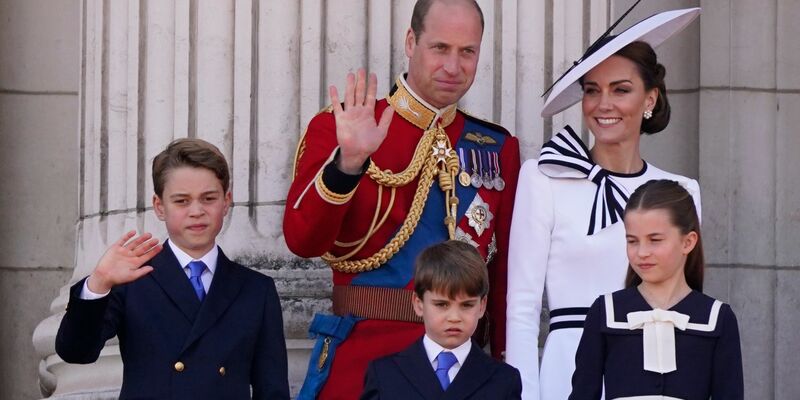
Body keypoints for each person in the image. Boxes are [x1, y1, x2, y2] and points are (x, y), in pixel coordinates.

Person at [284, 0, 520, 398]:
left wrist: (501, 363)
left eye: (467, 52)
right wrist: (349, 162)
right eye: (440, 48)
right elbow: (302, 240)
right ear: (411, 42)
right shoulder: (344, 124)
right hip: (361, 362)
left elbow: (503, 279)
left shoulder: (496, 148)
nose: (453, 66)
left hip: (460, 375)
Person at [505, 7, 703, 400]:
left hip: (655, 372)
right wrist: (523, 394)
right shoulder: (544, 178)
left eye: (620, 89)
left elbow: (688, 306)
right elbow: (522, 308)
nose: (602, 104)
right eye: (592, 90)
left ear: (650, 99)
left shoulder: (681, 190)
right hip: (567, 370)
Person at [56, 139, 290, 399]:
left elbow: (273, 390)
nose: (197, 211)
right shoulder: (132, 278)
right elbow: (76, 352)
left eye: (208, 198)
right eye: (181, 201)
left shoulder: (256, 289)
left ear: (226, 201)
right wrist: (98, 282)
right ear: (159, 207)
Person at [569, 179, 743, 399]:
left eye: (655, 240)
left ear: (688, 242)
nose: (642, 252)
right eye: (632, 241)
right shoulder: (605, 312)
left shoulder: (718, 318)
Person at [360, 240, 522, 400]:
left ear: (481, 306)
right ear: (419, 304)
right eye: (442, 305)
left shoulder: (504, 380)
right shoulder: (385, 375)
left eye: (466, 305)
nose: (454, 317)